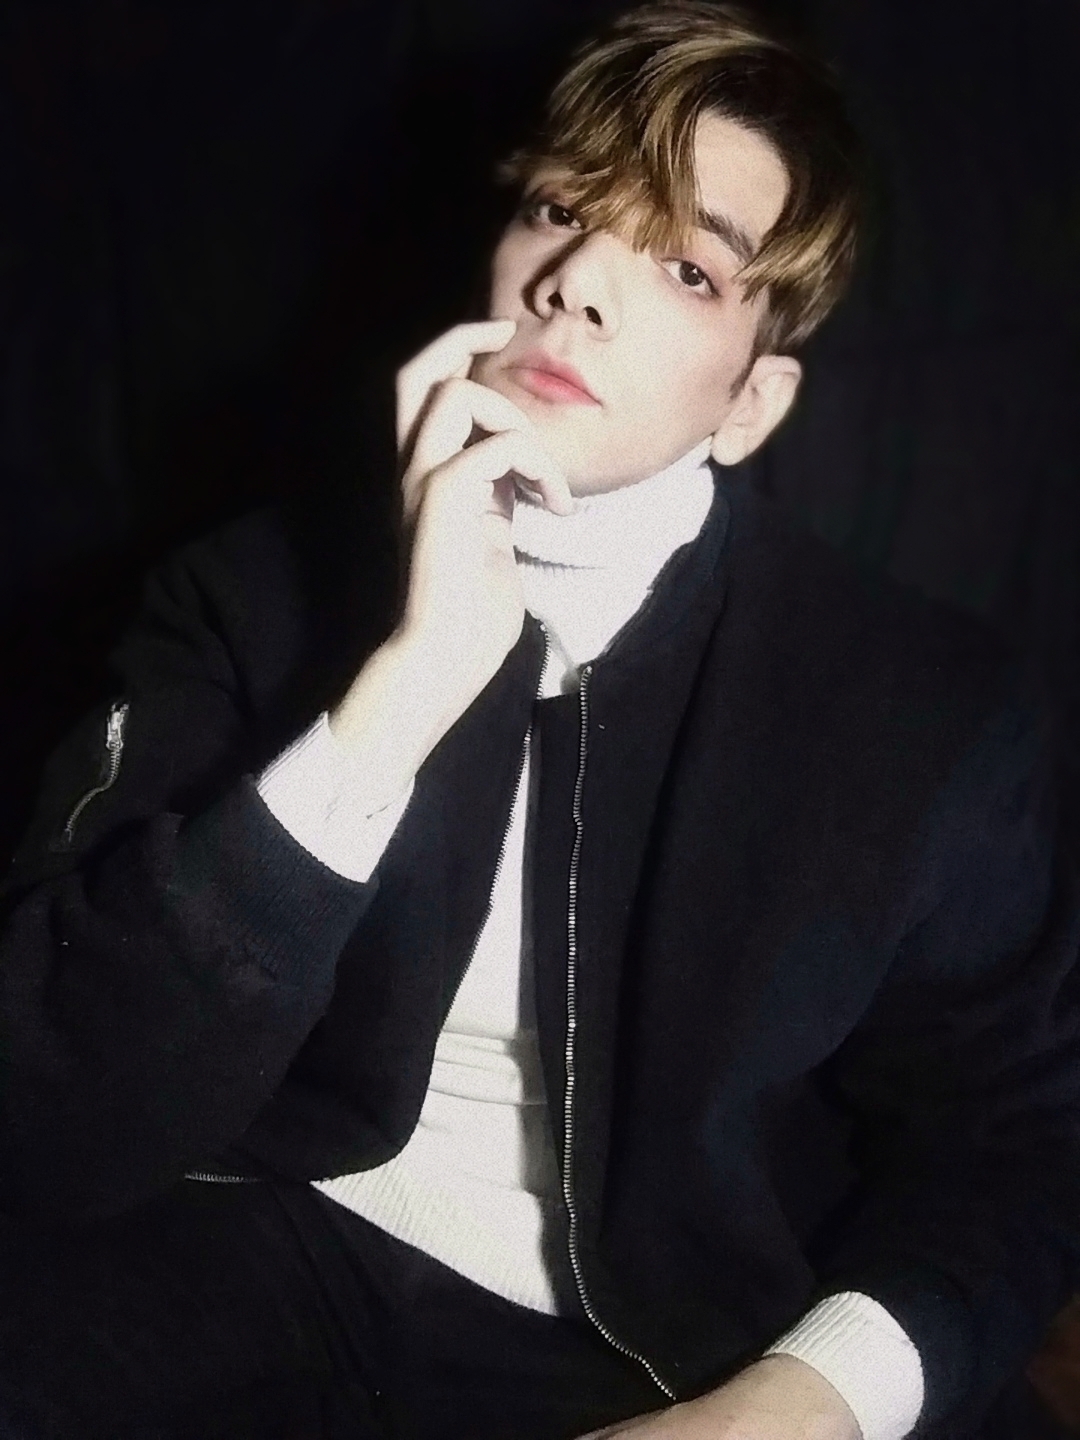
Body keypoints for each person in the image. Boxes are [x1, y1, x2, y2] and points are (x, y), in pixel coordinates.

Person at [1, 2, 1078, 1436]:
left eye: (688, 267)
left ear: (753, 405)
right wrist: (403, 690)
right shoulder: (245, 594)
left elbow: (1019, 1143)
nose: (579, 283)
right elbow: (52, 1121)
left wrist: (800, 1404)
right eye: (562, 208)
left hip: (678, 1342)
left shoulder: (929, 714)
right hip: (245, 1226)